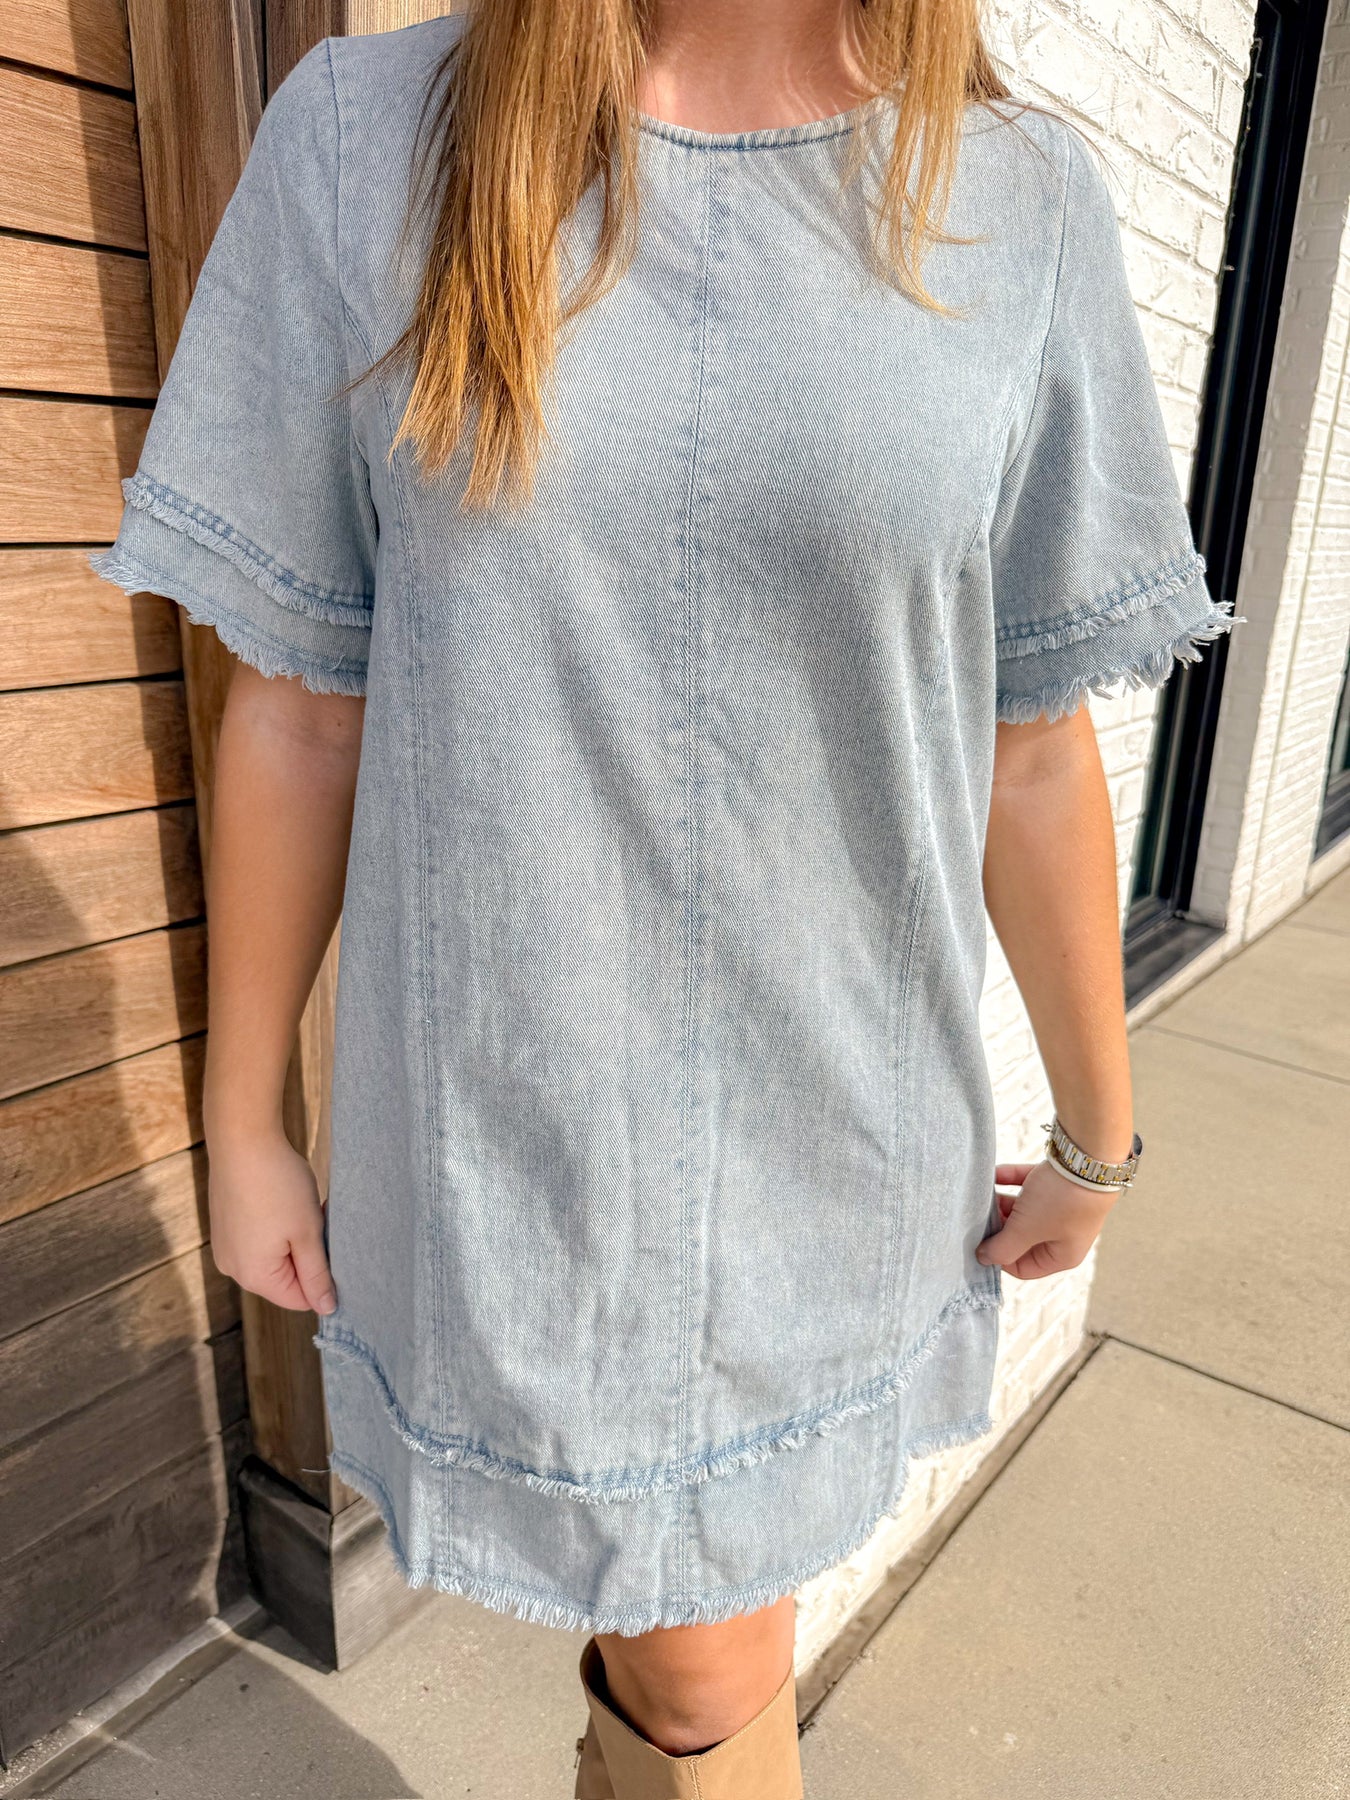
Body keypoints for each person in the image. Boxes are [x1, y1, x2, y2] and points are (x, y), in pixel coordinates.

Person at [91, 1, 1239, 1793]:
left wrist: (1097, 1135)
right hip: (501, 1137)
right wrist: (245, 1119)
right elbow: (302, 703)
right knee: (684, 1658)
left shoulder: (1013, 196)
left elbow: (1029, 743)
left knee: (695, 1664)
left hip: (841, 1137)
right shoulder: (367, 142)